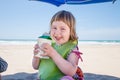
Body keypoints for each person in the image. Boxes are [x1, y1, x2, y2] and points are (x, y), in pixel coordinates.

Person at [32, 10, 84, 80]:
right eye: (54, 28)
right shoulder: (49, 44)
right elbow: (35, 67)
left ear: (71, 32)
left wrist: (53, 53)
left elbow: (71, 71)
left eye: (62, 29)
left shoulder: (72, 48)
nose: (57, 32)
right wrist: (36, 57)